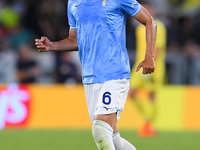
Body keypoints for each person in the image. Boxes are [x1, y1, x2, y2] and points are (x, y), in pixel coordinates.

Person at [35, 0, 157, 149]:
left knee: (100, 129)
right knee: (112, 137)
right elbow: (75, 40)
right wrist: (53, 45)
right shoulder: (73, 2)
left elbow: (149, 21)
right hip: (90, 77)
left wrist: (149, 56)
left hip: (115, 73)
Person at [129, 1, 167, 137]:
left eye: (150, 9)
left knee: (152, 96)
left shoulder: (159, 27)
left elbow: (158, 48)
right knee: (131, 94)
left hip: (154, 68)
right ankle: (147, 119)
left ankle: (150, 125)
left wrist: (151, 65)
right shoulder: (139, 28)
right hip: (138, 68)